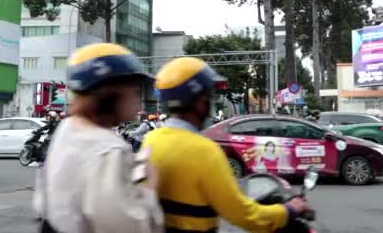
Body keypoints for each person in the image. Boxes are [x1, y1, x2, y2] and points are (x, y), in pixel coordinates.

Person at [143, 57, 310, 233]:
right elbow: (242, 214)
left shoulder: (151, 140)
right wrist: (289, 210)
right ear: (200, 101)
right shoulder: (204, 151)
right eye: (209, 97)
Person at [33, 43, 163, 233]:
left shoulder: (68, 127)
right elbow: (129, 227)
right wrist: (150, 187)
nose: (138, 100)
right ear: (109, 94)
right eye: (134, 92)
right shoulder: (108, 150)